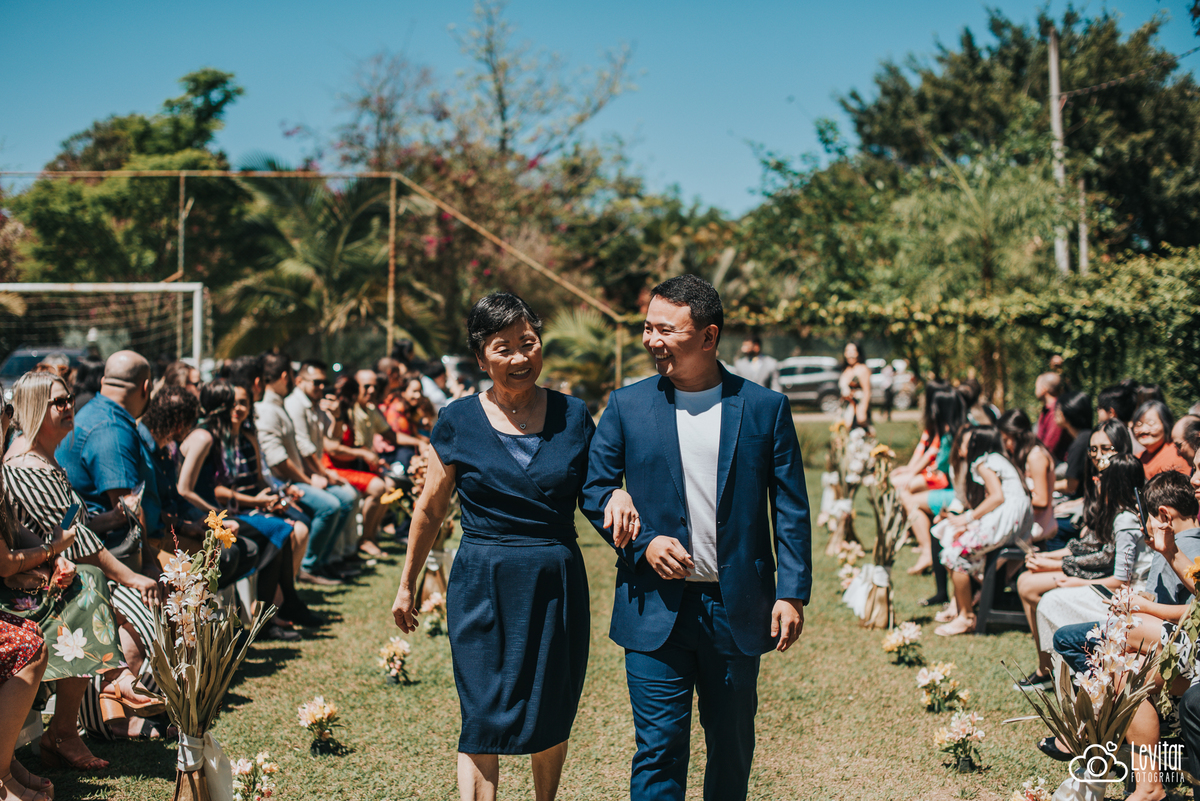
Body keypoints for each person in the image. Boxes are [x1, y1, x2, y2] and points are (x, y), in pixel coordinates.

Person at [581, 274, 812, 801]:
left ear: (708, 337)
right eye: (647, 328)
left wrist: (792, 592)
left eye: (666, 329)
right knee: (659, 748)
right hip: (653, 609)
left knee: (731, 746)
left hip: (737, 609)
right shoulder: (627, 405)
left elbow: (792, 509)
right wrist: (641, 540)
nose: (651, 340)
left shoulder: (764, 408)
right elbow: (594, 488)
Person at [392, 292, 608, 801]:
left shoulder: (574, 416)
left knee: (549, 708)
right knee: (483, 713)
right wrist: (408, 585)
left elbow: (599, 494)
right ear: (480, 356)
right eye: (503, 347)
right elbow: (429, 509)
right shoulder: (457, 419)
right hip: (482, 582)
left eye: (528, 344)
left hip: (555, 581)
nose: (519, 358)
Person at [3, 372, 165, 761]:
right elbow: (79, 542)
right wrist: (131, 576)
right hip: (27, 590)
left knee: (98, 589)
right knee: (100, 591)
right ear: (33, 409)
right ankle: (108, 692)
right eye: (58, 402)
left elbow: (71, 534)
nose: (69, 406)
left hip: (48, 576)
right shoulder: (26, 467)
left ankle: (93, 707)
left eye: (70, 398)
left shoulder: (45, 461)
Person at [1012, 453, 1144, 690]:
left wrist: (1068, 575)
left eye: (1102, 477)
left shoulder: (1125, 521)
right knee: (1034, 588)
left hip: (1121, 592)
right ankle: (1052, 667)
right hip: (1104, 581)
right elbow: (1089, 547)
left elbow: (1117, 576)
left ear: (1116, 482)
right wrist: (1051, 560)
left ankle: (1059, 669)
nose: (1096, 480)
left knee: (1047, 599)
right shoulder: (1114, 511)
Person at [255, 353, 358, 584]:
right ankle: (309, 566)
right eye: (317, 382)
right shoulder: (280, 406)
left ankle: (321, 561)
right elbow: (282, 458)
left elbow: (327, 440)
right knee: (331, 505)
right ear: (289, 377)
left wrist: (337, 415)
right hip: (287, 482)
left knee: (345, 498)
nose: (322, 387)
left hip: (298, 477)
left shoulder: (288, 404)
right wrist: (312, 478)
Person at [932, 426, 1033, 636]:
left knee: (954, 553)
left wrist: (968, 518)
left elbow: (997, 497)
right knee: (957, 547)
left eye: (969, 443)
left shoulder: (984, 462)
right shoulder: (1000, 460)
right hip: (1012, 522)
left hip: (1003, 520)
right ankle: (961, 607)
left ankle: (966, 617)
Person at [896, 387, 968, 576]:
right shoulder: (965, 426)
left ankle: (926, 550)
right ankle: (924, 547)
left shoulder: (950, 434)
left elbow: (941, 466)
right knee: (908, 493)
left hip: (958, 495)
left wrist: (917, 472)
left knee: (908, 499)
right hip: (959, 490)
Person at [997, 409, 1056, 542]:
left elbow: (1041, 500)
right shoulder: (1027, 455)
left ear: (1017, 435)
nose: (1005, 446)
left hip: (1039, 529)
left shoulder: (1036, 456)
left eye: (1006, 440)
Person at [1134, 400, 1190, 478]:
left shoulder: (1177, 456)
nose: (1143, 430)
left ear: (1166, 424)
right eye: (1138, 424)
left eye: (1150, 424)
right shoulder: (1138, 457)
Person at [1052, 390, 1093, 498]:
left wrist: (1046, 485)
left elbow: (1071, 485)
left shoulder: (1080, 443)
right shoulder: (1087, 436)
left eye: (1057, 409)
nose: (1055, 413)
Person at [1035, 372, 1070, 463]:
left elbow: (1049, 446)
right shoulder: (1046, 409)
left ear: (1043, 389)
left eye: (1036, 387)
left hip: (1058, 462)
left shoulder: (1056, 411)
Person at [838, 341, 871, 430]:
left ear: (858, 353)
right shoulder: (845, 369)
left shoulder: (862, 369)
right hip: (845, 408)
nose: (850, 355)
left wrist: (863, 411)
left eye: (853, 351)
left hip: (857, 409)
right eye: (847, 351)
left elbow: (867, 391)